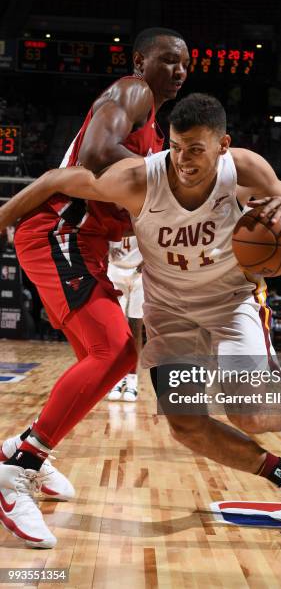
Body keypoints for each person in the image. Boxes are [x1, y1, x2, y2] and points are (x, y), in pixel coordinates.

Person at [0, 94, 281, 545]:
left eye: (197, 150)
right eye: (176, 147)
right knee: (187, 424)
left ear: (223, 144)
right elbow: (57, 178)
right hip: (170, 315)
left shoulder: (242, 169)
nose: (183, 160)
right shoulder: (139, 179)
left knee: (246, 412)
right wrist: (5, 215)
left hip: (231, 305)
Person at [0, 27, 189, 548]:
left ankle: (22, 450)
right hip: (59, 232)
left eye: (185, 65)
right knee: (114, 351)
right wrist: (163, 189)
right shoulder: (132, 92)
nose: (178, 70)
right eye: (169, 60)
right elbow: (98, 154)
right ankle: (18, 470)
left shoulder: (154, 127)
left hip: (84, 245)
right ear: (140, 61)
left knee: (110, 361)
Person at [107, 236, 144, 402]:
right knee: (116, 331)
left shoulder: (144, 211)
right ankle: (117, 378)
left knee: (135, 328)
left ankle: (132, 381)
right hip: (115, 270)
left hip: (139, 273)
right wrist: (105, 250)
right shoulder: (107, 211)